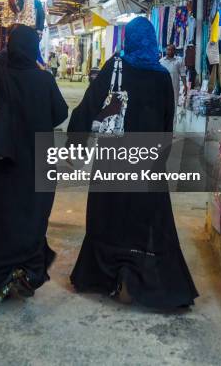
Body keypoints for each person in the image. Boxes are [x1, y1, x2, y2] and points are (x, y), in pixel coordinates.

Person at [68, 17, 198, 309]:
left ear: (127, 39)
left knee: (108, 216)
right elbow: (168, 122)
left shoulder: (115, 68)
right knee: (147, 221)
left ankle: (105, 275)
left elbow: (88, 108)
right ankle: (146, 278)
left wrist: (75, 144)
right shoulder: (162, 77)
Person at [0, 25, 68, 310]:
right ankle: (27, 273)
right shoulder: (44, 80)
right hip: (35, 164)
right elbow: (61, 113)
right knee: (30, 220)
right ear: (34, 49)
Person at [160, 43, 188, 111]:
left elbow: (183, 74)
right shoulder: (161, 61)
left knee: (173, 105)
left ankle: (173, 121)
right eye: (168, 50)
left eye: (171, 50)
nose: (169, 51)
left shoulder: (179, 60)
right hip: (163, 87)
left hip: (174, 87)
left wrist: (185, 86)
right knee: (163, 105)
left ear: (174, 51)